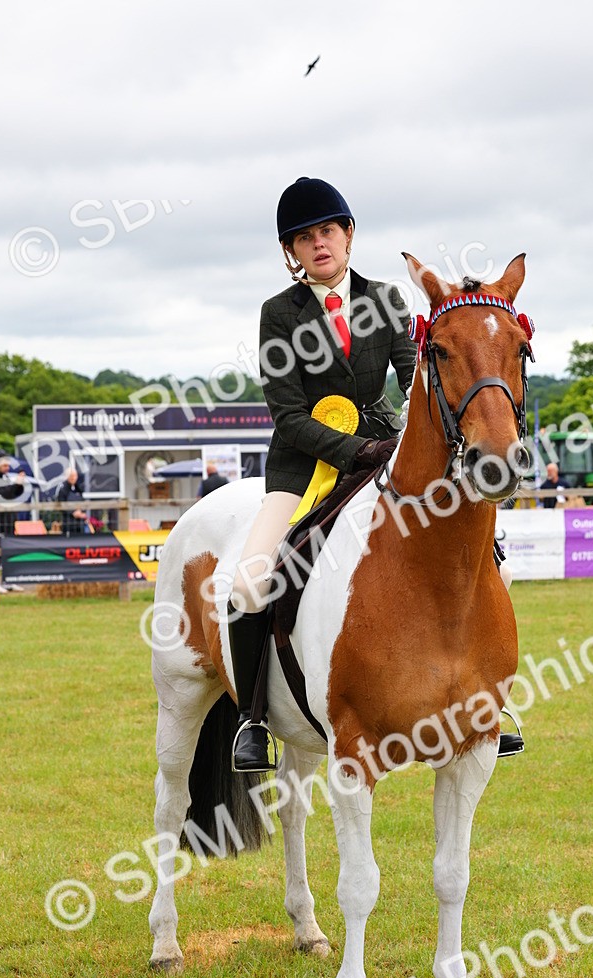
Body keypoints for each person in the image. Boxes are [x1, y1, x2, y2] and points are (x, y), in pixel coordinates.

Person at [227, 176, 416, 771]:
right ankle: (253, 720)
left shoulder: (387, 299)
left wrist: (410, 436)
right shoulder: (278, 314)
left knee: (493, 557)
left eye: (326, 231)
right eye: (303, 238)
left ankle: (487, 703)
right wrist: (355, 452)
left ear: (349, 234)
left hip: (386, 454)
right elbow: (285, 414)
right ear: (292, 252)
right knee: (249, 583)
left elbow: (413, 379)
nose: (318, 244)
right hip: (302, 468)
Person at [0, 455, 28, 592]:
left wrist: (20, 484)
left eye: (8, 466)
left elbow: (14, 493)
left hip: (10, 518)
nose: (7, 468)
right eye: (4, 465)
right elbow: (1, 496)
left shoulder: (6, 478)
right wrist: (15, 484)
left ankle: (9, 580)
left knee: (9, 550)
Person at [55, 467, 90, 535]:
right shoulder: (63, 489)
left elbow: (83, 502)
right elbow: (61, 505)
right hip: (68, 523)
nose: (74, 478)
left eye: (75, 475)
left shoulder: (78, 488)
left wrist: (82, 512)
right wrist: (73, 513)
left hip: (80, 523)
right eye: (71, 476)